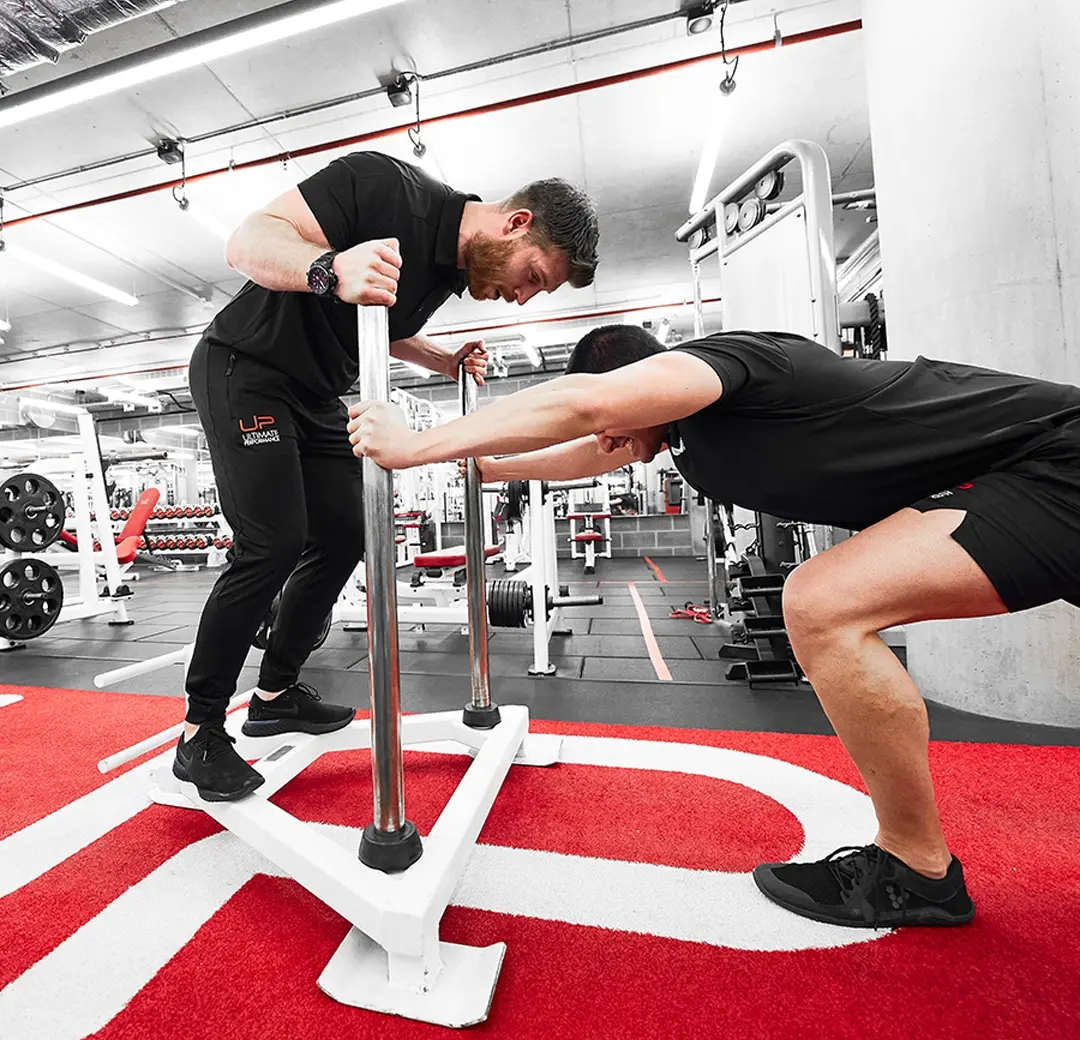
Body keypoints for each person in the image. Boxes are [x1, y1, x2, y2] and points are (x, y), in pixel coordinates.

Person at [347, 323, 1080, 929]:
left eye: (619, 417)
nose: (610, 439)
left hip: (1054, 464)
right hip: (1021, 481)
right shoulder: (687, 442)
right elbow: (587, 443)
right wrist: (493, 467)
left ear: (650, 383)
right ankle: (916, 866)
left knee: (823, 603)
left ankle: (916, 867)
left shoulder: (730, 364)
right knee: (827, 600)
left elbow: (585, 407)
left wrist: (414, 444)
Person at [174, 151, 599, 803]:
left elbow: (379, 323)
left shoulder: (446, 273)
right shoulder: (384, 188)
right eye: (534, 277)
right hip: (245, 367)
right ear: (516, 224)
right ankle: (200, 730)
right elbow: (249, 240)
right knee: (273, 541)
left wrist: (442, 357)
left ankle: (275, 693)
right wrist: (328, 266)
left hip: (315, 394)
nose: (521, 297)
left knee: (347, 533)